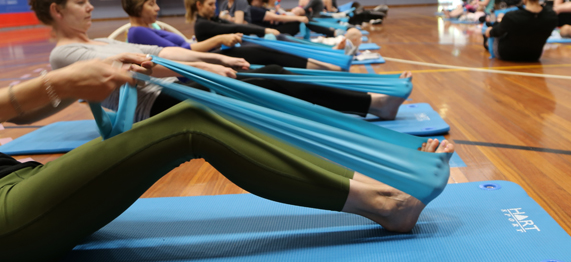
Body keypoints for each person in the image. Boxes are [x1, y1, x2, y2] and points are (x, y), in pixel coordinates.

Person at [0, 58, 454, 260]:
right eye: (80, 2)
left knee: (236, 91)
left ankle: (375, 179)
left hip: (21, 181)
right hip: (9, 218)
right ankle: (385, 203)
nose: (89, 7)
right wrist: (61, 83)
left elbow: (20, 109)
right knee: (191, 121)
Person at [25, 0, 408, 123]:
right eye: (81, 2)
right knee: (266, 79)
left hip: (175, 88)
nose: (91, 7)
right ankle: (372, 103)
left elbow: (165, 55)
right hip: (158, 106)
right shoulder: (63, 56)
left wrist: (214, 58)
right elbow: (141, 65)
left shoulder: (99, 40)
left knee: (267, 71)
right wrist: (208, 64)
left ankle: (370, 101)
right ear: (57, 11)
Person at [125, 0, 330, 70]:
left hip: (208, 60)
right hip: (202, 66)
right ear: (136, 7)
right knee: (270, 58)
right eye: (151, 4)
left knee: (271, 52)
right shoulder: (137, 31)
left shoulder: (150, 27)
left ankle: (329, 64)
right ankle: (329, 66)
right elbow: (183, 53)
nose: (158, 7)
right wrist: (221, 39)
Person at [483, 0, 558, 62]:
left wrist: (490, 31)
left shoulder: (511, 17)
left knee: (491, 30)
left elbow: (495, 33)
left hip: (507, 55)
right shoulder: (551, 16)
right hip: (534, 55)